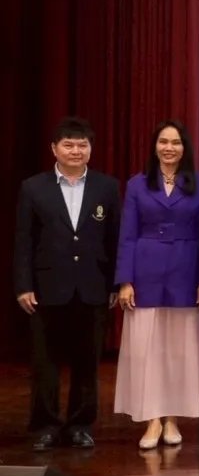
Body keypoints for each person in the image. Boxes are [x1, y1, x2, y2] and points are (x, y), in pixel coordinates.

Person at [13, 117, 121, 451]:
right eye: (69, 144)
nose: (76, 150)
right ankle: (46, 426)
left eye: (82, 145)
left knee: (87, 361)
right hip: (46, 288)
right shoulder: (33, 187)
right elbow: (23, 241)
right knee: (45, 362)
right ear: (54, 149)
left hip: (92, 286)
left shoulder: (107, 187)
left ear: (91, 149)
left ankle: (79, 425)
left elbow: (115, 239)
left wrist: (116, 284)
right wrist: (23, 285)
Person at [114, 121, 199, 450]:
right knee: (147, 350)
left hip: (186, 269)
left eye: (176, 142)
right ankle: (152, 419)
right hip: (146, 271)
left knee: (179, 351)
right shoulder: (137, 184)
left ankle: (172, 418)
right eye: (163, 141)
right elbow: (127, 235)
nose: (169, 148)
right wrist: (125, 281)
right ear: (155, 146)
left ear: (185, 148)